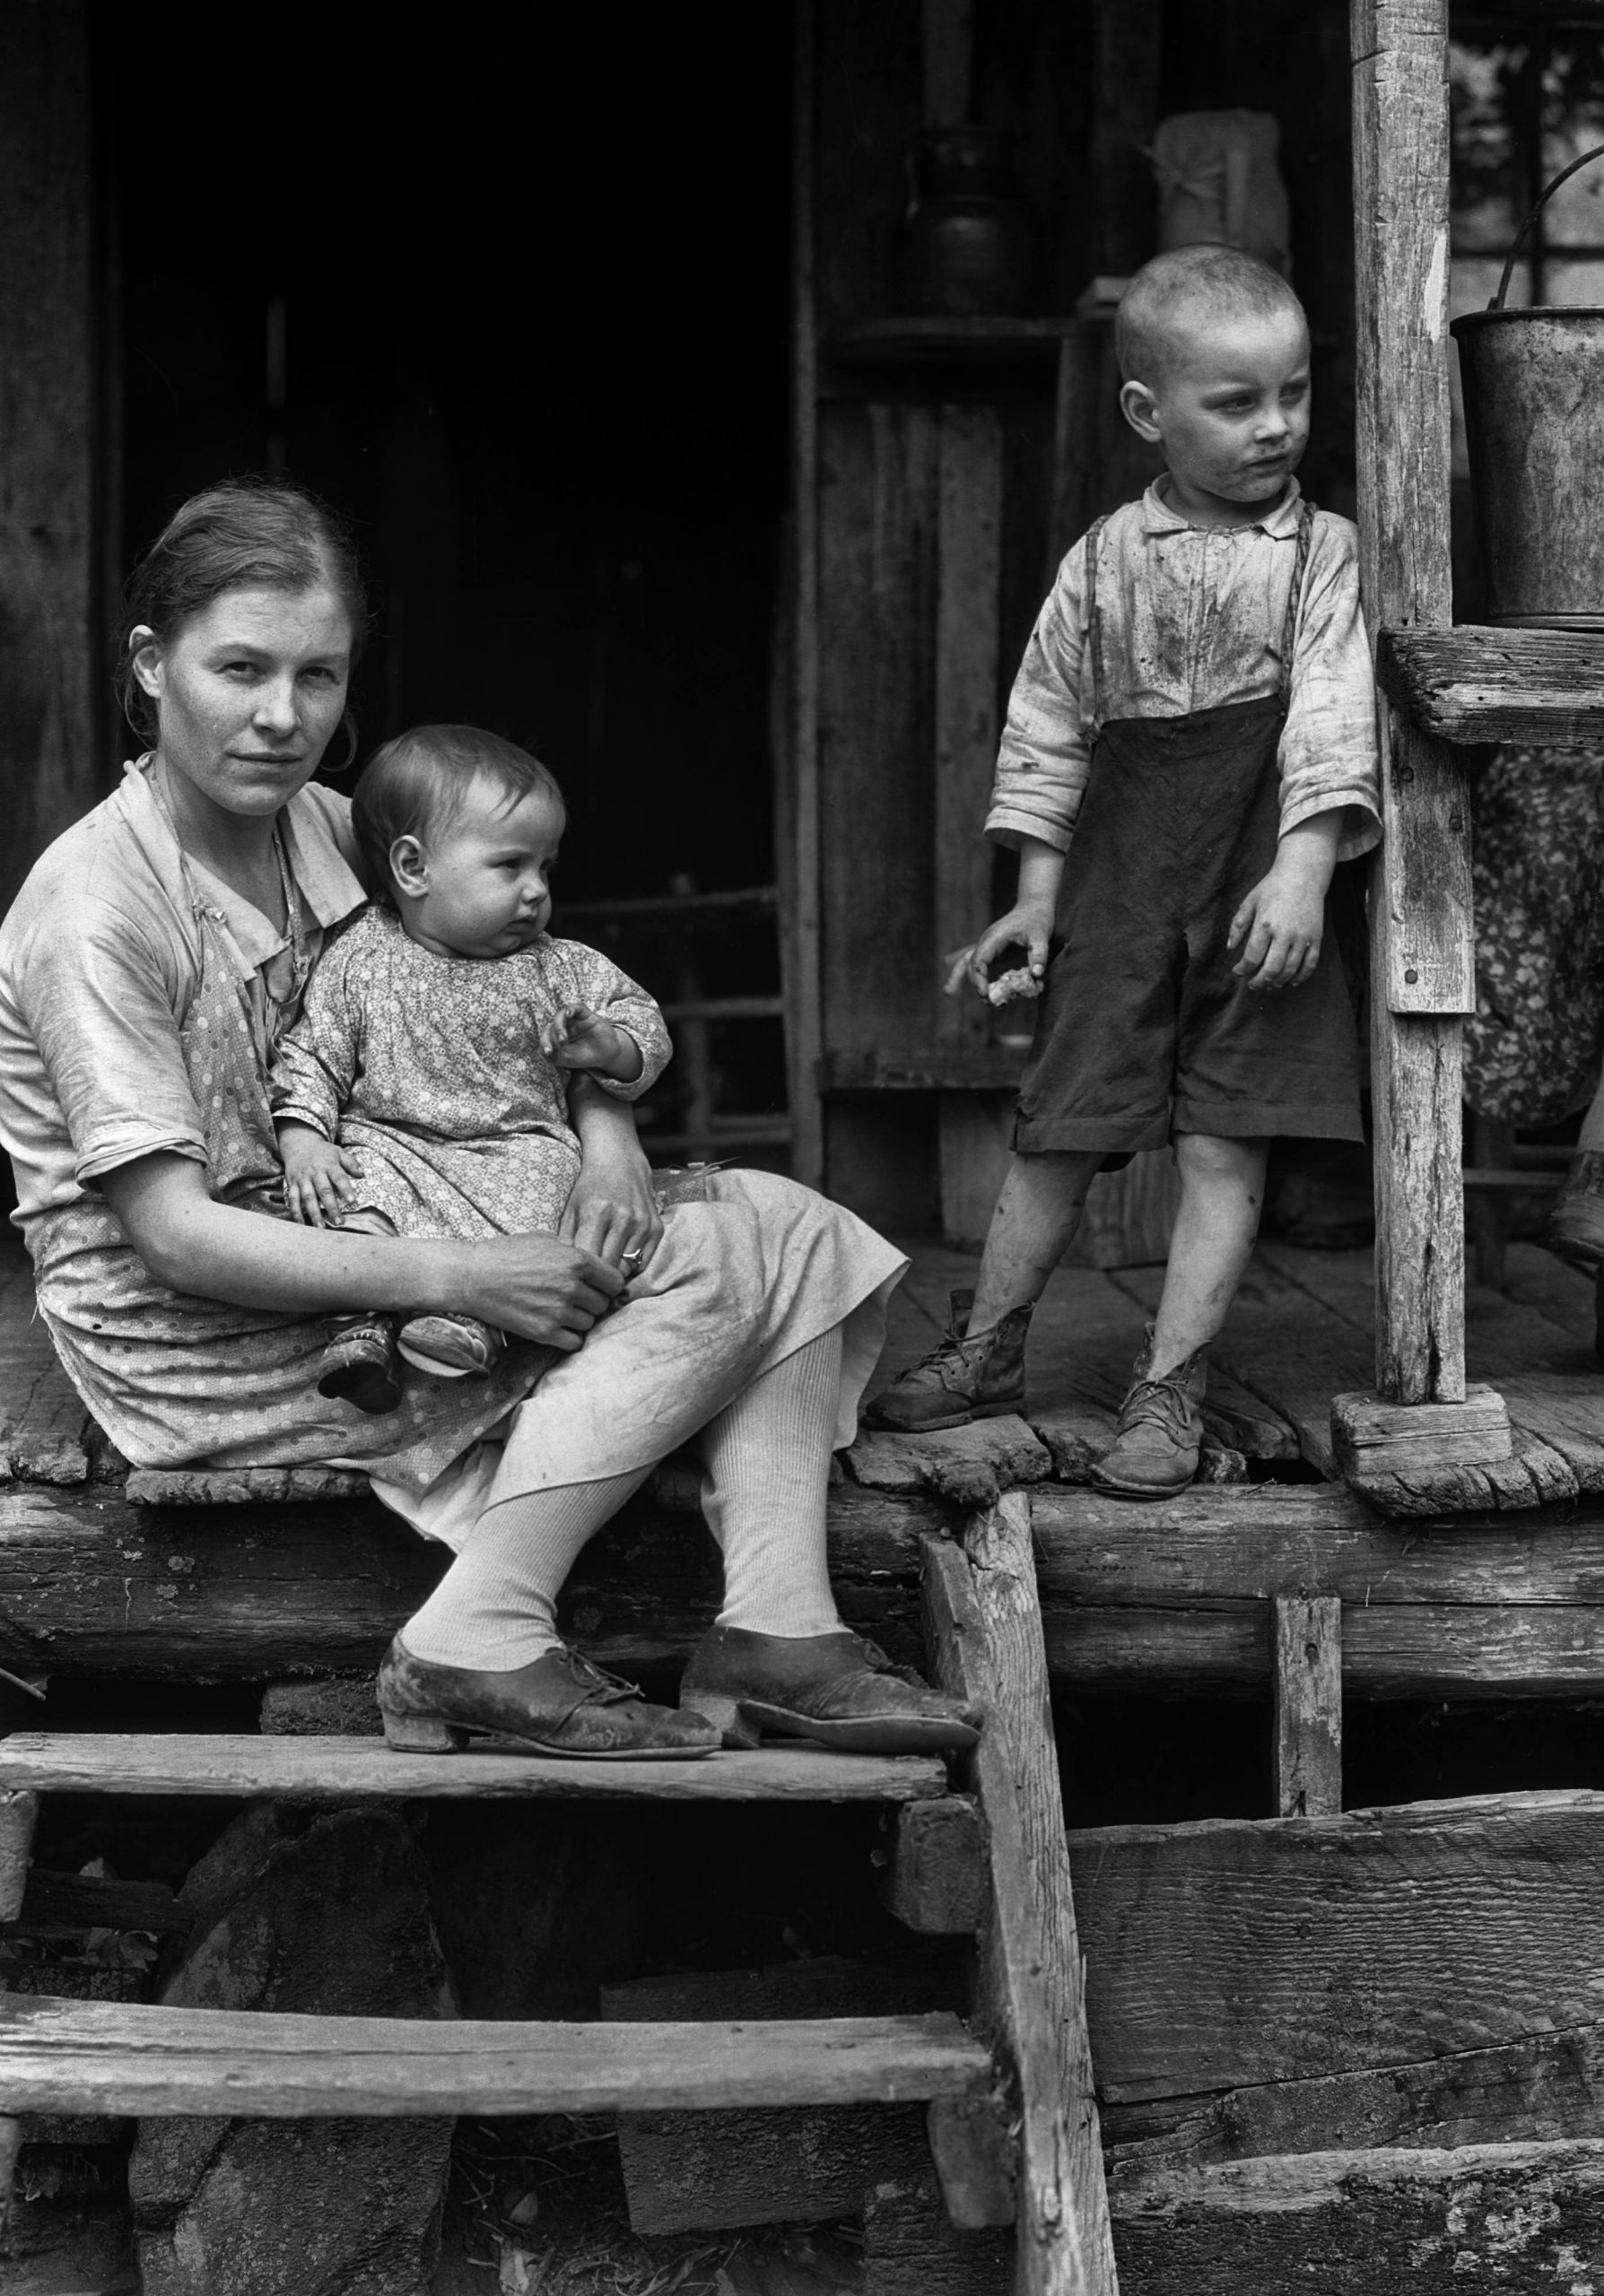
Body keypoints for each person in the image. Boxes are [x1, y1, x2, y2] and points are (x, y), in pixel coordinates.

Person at [0, 477, 977, 1760]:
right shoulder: (97, 909)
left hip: (403, 1217)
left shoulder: (333, 829)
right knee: (740, 1260)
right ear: (150, 664)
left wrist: (608, 1133)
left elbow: (518, 990)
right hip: (209, 1333)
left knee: (783, 1224)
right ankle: (482, 1628)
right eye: (239, 668)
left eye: (319, 675)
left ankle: (776, 1632)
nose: (284, 716)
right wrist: (467, 1275)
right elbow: (174, 1239)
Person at [871, 246, 1382, 1497]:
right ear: (1149, 413)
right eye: (1237, 402)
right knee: (1063, 1120)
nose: (1277, 425)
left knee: (1227, 1137)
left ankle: (1168, 1389)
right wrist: (1037, 895)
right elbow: (1047, 725)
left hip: (1259, 866)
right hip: (1121, 867)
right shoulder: (1103, 560)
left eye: (1295, 393)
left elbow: (1334, 711)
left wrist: (1306, 869)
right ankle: (988, 1347)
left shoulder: (1322, 552)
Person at [270, 725, 673, 1414]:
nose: (536, 891)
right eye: (510, 866)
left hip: (514, 1148)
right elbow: (313, 1056)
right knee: (352, 1190)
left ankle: (473, 1326)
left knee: (553, 1193)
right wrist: (303, 1141)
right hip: (396, 1146)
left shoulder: (558, 966)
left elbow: (645, 1022)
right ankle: (359, 1326)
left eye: (545, 867)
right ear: (413, 868)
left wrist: (610, 1047)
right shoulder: (359, 957)